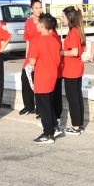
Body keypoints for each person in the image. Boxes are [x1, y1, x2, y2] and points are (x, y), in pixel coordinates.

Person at [27, 13, 63, 143]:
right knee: (48, 102)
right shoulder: (55, 40)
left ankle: (48, 133)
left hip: (42, 76)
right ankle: (54, 126)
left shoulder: (37, 40)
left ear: (42, 25)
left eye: (37, 23)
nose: (36, 24)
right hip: (52, 74)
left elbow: (31, 61)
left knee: (43, 106)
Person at [61, 6, 86, 135]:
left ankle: (75, 126)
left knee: (73, 98)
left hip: (71, 69)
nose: (61, 19)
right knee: (77, 97)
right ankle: (79, 123)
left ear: (69, 18)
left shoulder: (73, 32)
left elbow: (75, 51)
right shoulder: (77, 30)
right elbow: (83, 49)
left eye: (63, 16)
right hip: (76, 68)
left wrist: (61, 52)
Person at [19, 0, 43, 115]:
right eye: (36, 8)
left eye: (40, 7)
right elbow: (27, 40)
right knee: (25, 78)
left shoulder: (45, 21)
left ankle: (40, 108)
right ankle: (28, 106)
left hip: (42, 56)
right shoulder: (28, 22)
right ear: (32, 9)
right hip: (30, 56)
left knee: (38, 83)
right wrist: (26, 57)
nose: (39, 10)